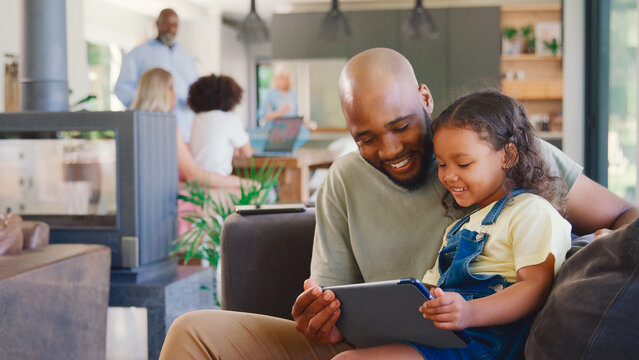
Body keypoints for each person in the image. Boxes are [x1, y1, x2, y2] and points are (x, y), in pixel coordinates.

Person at [158, 48, 639, 360]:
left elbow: (624, 216)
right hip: (371, 349)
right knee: (193, 331)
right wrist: (321, 328)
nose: (389, 150)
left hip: (469, 344)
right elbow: (336, 312)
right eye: (365, 137)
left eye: (401, 125)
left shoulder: (499, 153)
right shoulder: (344, 179)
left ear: (424, 99)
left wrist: (594, 249)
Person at [333, 90, 572, 359]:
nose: (449, 175)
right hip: (446, 337)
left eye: (463, 163)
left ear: (508, 156)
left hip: (487, 343)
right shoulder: (460, 227)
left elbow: (534, 288)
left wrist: (470, 313)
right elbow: (429, 293)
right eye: (443, 164)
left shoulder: (531, 211)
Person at [131, 68, 246, 189]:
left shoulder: (137, 124)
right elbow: (194, 175)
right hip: (169, 196)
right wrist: (242, 183)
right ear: (165, 92)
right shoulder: (167, 126)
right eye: (172, 88)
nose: (175, 95)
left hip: (146, 194)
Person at [115, 8, 199, 143]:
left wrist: (194, 102)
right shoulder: (138, 54)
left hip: (184, 133)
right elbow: (122, 89)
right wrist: (149, 103)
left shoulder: (187, 59)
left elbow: (197, 90)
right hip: (149, 131)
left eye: (174, 25)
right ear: (157, 24)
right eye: (166, 24)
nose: (170, 29)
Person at [188, 74, 253, 178]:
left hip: (196, 180)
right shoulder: (230, 119)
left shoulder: (197, 118)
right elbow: (247, 153)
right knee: (267, 193)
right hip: (218, 179)